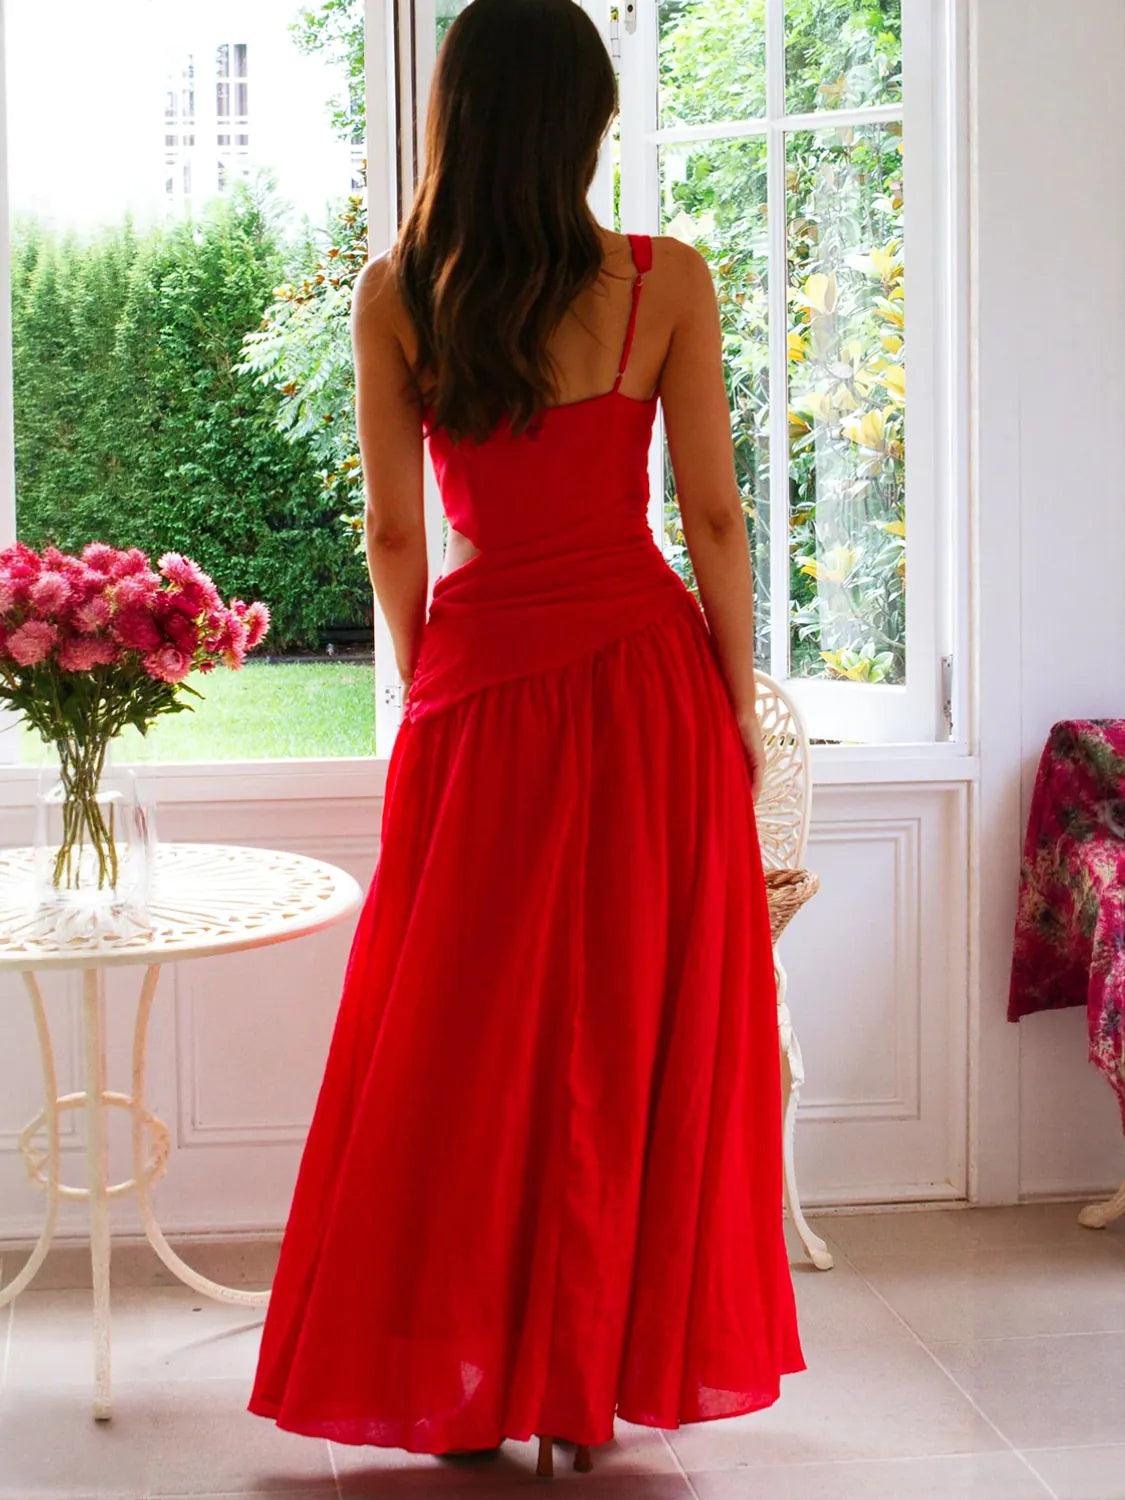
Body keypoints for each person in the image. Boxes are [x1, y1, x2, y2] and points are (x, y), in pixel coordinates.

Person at [249, 0, 804, 1479]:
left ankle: (464, 1381)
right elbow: (714, 521)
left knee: (460, 1037)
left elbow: (388, 535)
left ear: (457, 118)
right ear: (583, 122)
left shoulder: (399, 292)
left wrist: (437, 683)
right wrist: (739, 707)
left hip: (479, 688)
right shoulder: (659, 278)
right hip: (641, 684)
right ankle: (586, 1381)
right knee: (629, 1023)